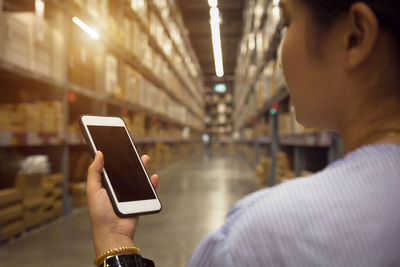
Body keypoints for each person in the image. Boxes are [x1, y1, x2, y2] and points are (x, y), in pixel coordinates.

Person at [87, 0, 400, 266]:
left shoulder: (258, 240)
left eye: (289, 23)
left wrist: (114, 243)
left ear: (354, 37)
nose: (279, 60)